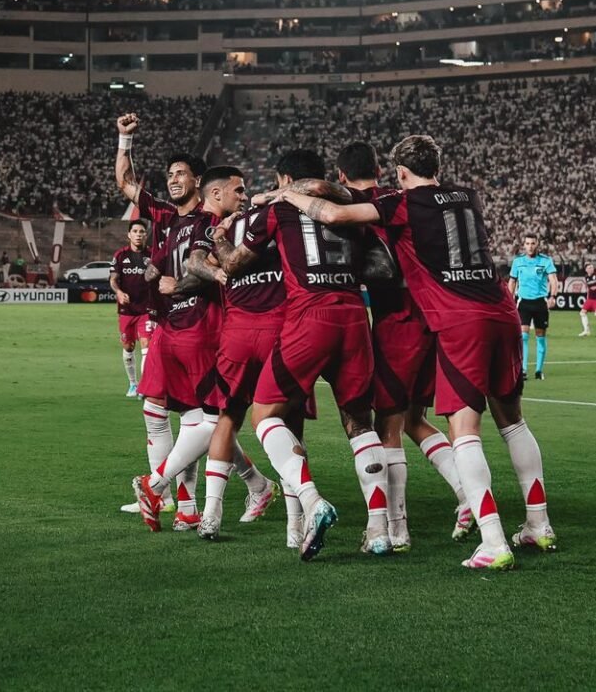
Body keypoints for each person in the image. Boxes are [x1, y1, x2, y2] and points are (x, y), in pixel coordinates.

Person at [276, 134, 557, 572]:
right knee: (510, 421)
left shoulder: (399, 204)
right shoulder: (469, 196)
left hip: (441, 318)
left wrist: (285, 193)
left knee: (447, 425)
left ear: (401, 173)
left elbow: (333, 210)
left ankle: (470, 535)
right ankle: (537, 522)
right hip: (499, 306)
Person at [210, 148, 393, 561]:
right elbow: (380, 266)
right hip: (353, 316)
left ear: (283, 181)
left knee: (263, 415)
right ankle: (379, 529)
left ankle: (311, 501)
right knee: (360, 424)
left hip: (309, 316)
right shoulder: (350, 205)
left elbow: (235, 265)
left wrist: (220, 237)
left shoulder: (278, 211)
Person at [334, 140, 473, 553]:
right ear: (382, 169)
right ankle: (467, 493)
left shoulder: (353, 203)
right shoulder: (406, 196)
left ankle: (396, 530)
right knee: (415, 419)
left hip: (397, 319)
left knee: (386, 426)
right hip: (433, 314)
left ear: (341, 175)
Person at [132, 166, 276, 533]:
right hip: (179, 327)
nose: (242, 197)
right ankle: (213, 498)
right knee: (203, 420)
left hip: (212, 329)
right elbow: (167, 269)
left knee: (208, 420)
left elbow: (201, 266)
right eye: (237, 191)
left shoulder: (218, 226)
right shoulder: (188, 226)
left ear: (201, 185)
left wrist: (180, 283)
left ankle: (163, 488)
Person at [113, 113, 205, 526]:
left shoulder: (209, 219)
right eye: (170, 174)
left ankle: (168, 494)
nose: (172, 179)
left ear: (198, 181)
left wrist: (179, 284)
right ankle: (177, 504)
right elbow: (125, 184)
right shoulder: (167, 217)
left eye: (181, 173)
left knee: (196, 418)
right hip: (169, 326)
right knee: (156, 409)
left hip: (199, 326)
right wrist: (124, 141)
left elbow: (213, 269)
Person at [110, 220, 152, 397]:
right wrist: (118, 292)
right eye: (135, 231)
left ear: (145, 235)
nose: (138, 234)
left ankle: (143, 387)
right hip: (126, 310)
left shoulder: (152, 255)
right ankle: (133, 384)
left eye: (142, 231)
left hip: (147, 310)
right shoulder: (120, 255)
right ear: (129, 235)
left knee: (146, 348)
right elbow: (113, 279)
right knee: (128, 347)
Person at [509, 235, 559, 379]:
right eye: (527, 243)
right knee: (523, 336)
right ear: (523, 245)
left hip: (540, 303)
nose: (530, 246)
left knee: (540, 337)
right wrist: (510, 299)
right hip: (524, 302)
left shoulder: (545, 261)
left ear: (537, 244)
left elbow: (553, 280)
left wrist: (553, 296)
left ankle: (538, 370)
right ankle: (523, 370)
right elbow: (512, 282)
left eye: (532, 243)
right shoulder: (518, 262)